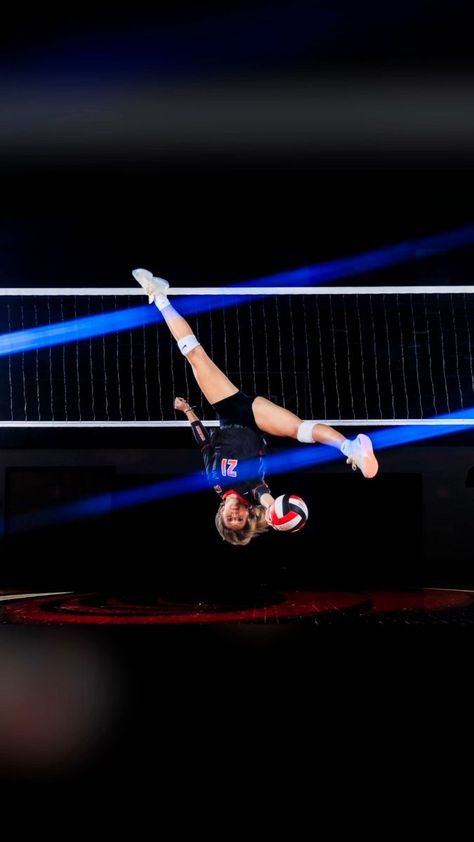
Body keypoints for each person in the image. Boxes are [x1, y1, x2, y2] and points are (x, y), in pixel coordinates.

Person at [132, 268, 379, 546]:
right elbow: (268, 500)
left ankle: (160, 296)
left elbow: (204, 445)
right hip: (256, 422)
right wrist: (275, 514)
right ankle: (351, 448)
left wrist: (189, 411)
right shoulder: (254, 492)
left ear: (221, 513)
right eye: (240, 519)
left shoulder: (214, 482)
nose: (235, 514)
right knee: (300, 429)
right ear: (248, 516)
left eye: (230, 518)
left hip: (228, 412)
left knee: (194, 354)